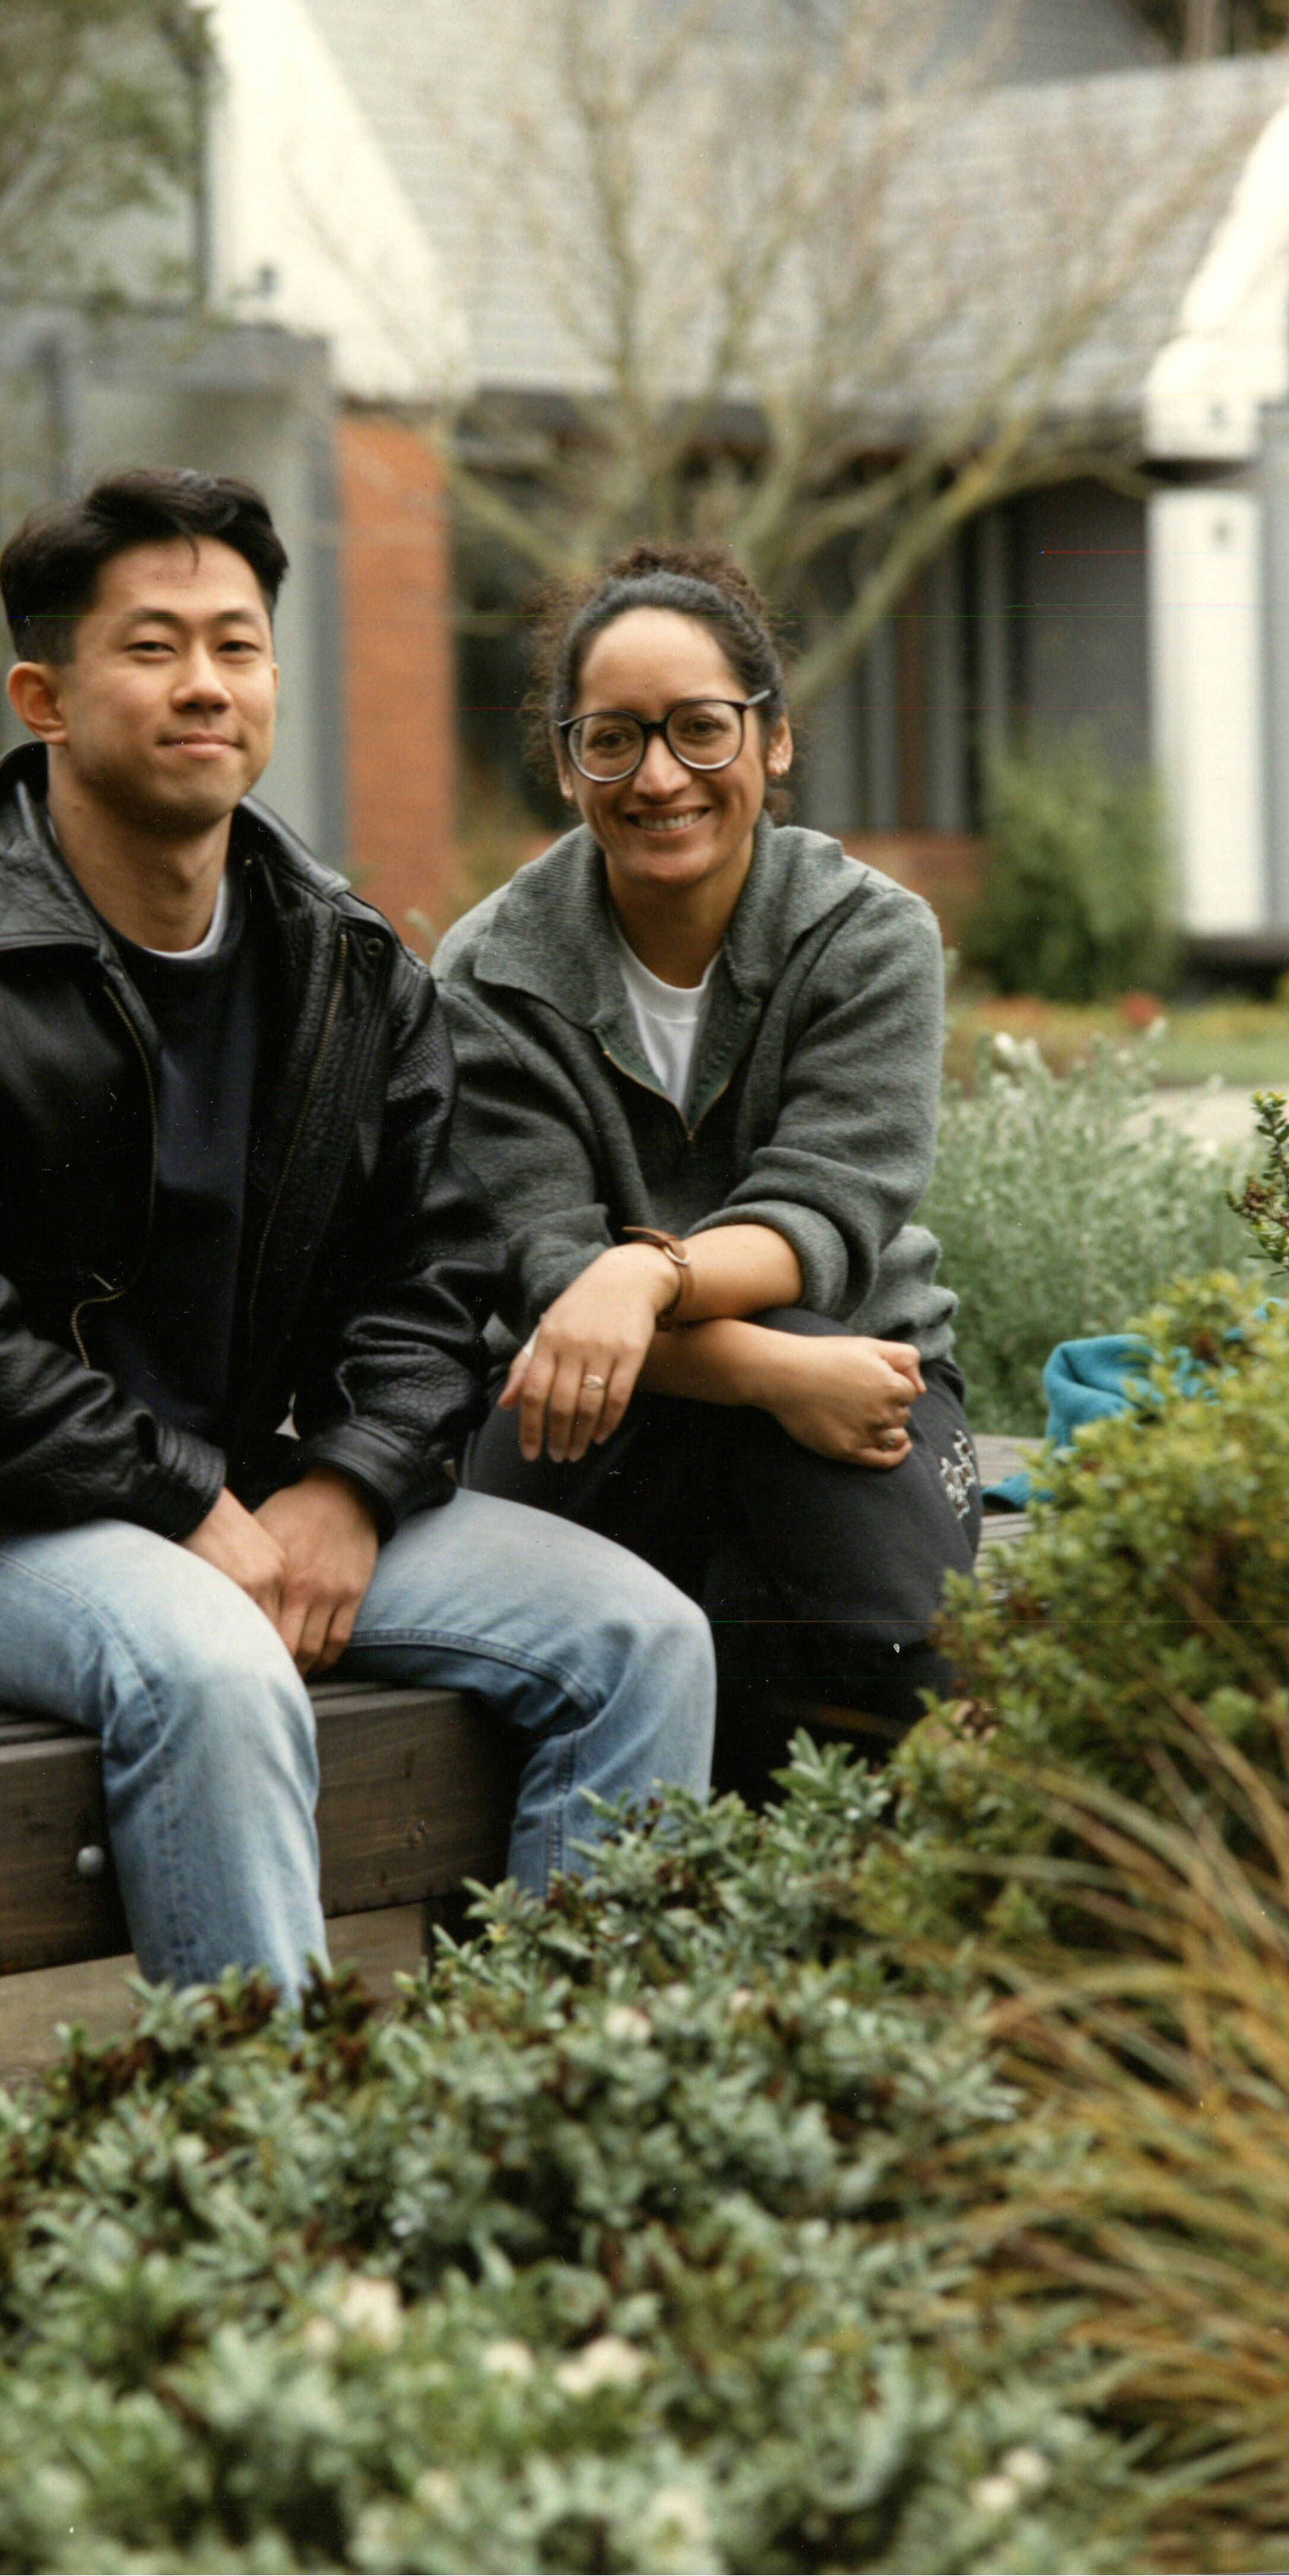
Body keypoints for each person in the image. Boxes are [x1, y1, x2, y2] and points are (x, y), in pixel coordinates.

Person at [0, 471, 712, 1990]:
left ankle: (554, 2125)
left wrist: (354, 1482)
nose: (205, 684)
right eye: (152, 647)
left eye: (237, 645)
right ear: (43, 695)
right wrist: (184, 1504)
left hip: (260, 1500)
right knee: (210, 1665)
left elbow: (434, 1273)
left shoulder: (340, 961)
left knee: (640, 1641)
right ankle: (272, 2182)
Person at [431, 544, 980, 1794]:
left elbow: (826, 1211)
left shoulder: (863, 933)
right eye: (613, 739)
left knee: (879, 1650)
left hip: (854, 1368)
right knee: (552, 1676)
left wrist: (647, 1280)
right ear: (568, 762)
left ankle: (862, 1953)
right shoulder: (489, 974)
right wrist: (767, 1369)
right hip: (605, 1404)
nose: (660, 776)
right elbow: (541, 1276)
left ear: (772, 741)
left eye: (699, 730)